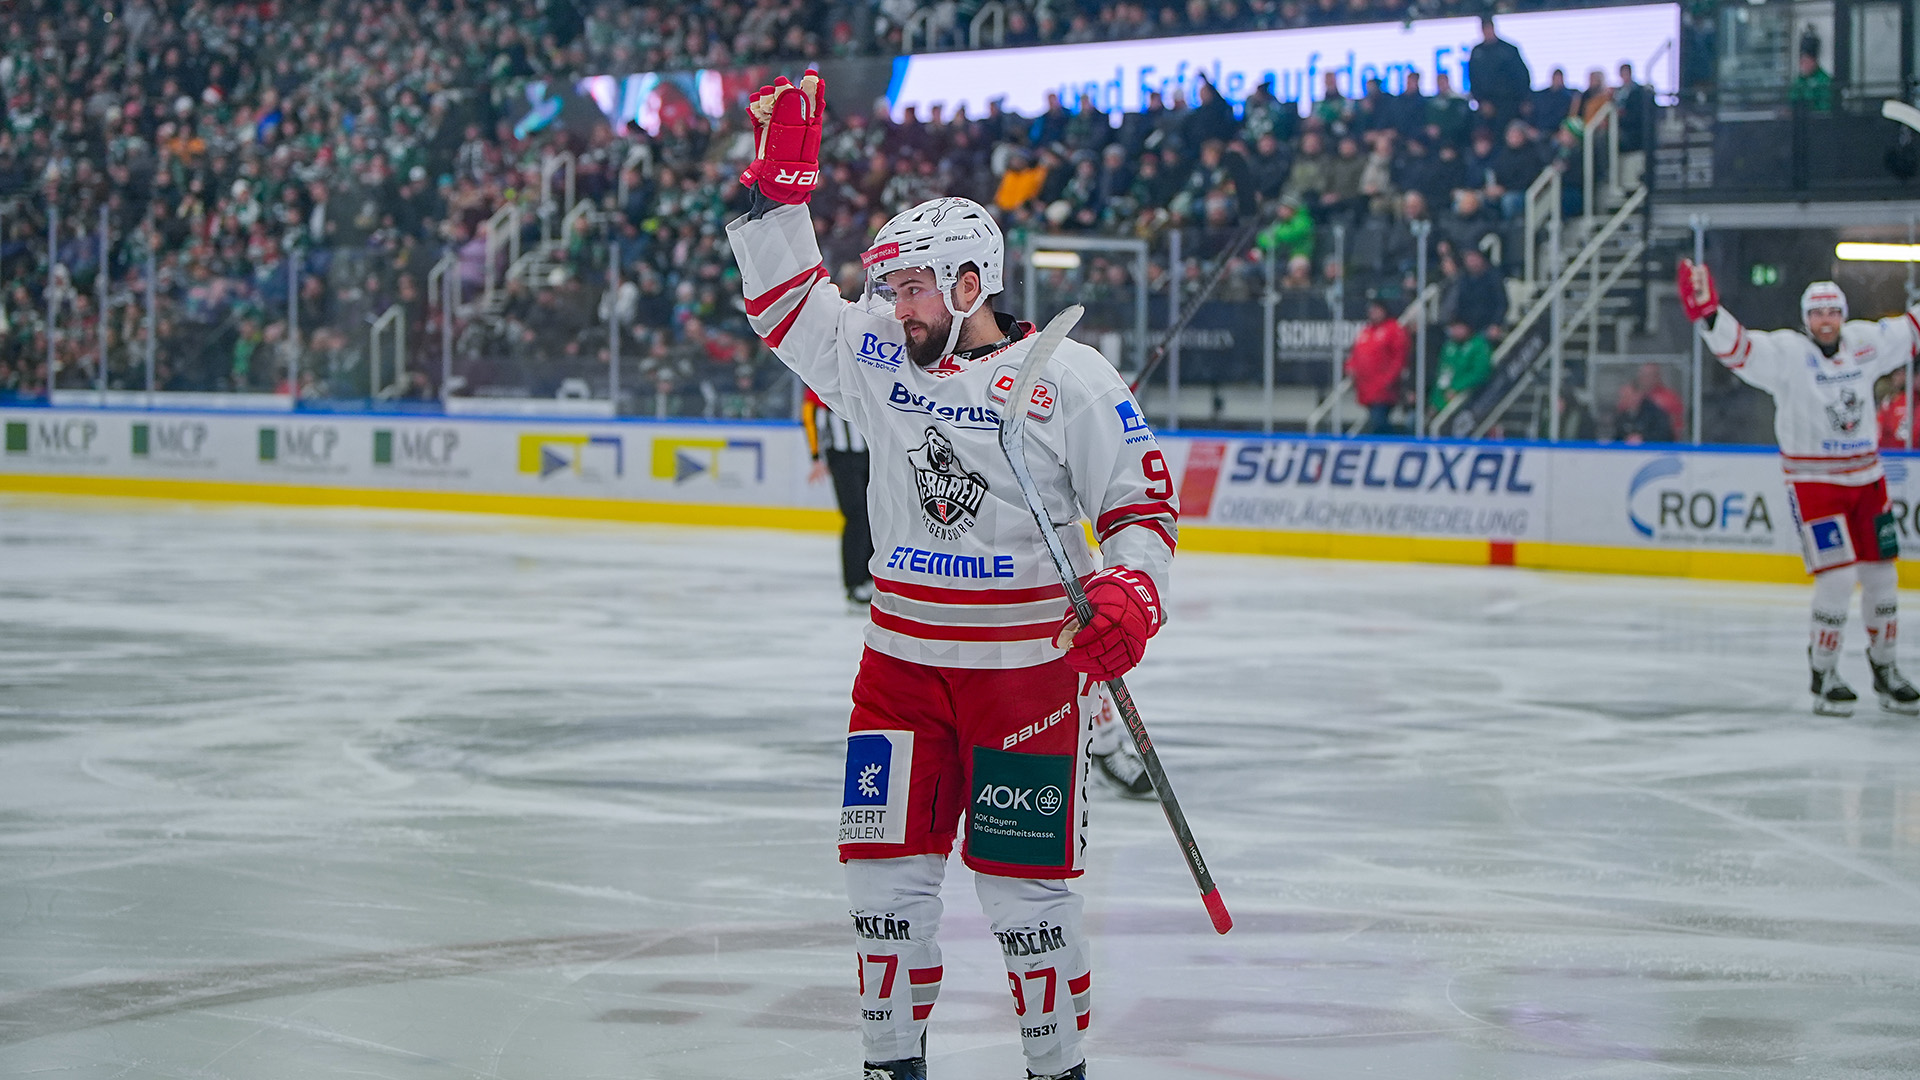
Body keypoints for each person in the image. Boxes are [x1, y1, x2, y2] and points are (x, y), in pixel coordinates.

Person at [725, 71, 1176, 1080]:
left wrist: (1128, 598)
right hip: (897, 668)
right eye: (888, 285)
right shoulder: (879, 353)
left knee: (1026, 893)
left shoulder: (1072, 378)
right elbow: (785, 307)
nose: (893, 302)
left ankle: (1054, 1069)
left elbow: (1141, 511)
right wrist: (777, 197)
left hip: (1021, 673)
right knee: (880, 888)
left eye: (913, 285)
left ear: (973, 283)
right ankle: (894, 1067)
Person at [1679, 261, 1920, 715]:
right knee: (1836, 579)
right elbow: (1742, 349)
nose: (1825, 321)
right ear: (1805, 319)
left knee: (1882, 579)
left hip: (1868, 481)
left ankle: (1886, 669)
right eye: (1817, 314)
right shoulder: (1787, 354)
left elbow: (1910, 329)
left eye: (1832, 313)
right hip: (1815, 484)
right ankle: (1823, 671)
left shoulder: (1865, 345)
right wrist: (1710, 315)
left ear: (1843, 316)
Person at [805, 387, 876, 609]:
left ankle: (872, 576)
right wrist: (816, 456)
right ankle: (855, 582)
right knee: (856, 515)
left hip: (871, 454)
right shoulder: (825, 375)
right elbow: (810, 413)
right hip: (842, 456)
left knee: (875, 515)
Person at [1346, 297, 1409, 434]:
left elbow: (1399, 359)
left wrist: (1389, 379)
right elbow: (1355, 354)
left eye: (1376, 309)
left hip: (1384, 389)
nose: (1373, 313)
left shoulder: (1393, 330)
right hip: (1366, 388)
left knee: (1379, 422)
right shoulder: (1366, 331)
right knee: (1375, 421)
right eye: (1371, 310)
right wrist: (1350, 367)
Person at [1468, 15, 1532, 127]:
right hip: (1488, 104)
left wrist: (1525, 99)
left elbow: (1522, 76)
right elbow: (1473, 78)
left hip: (1510, 102)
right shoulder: (1477, 52)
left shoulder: (1509, 50)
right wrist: (1481, 101)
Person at [1430, 318, 1491, 412]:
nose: (1456, 331)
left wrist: (1457, 388)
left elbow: (1480, 372)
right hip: (1443, 401)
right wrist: (1434, 401)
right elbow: (1441, 373)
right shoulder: (1449, 346)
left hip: (1468, 401)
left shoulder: (1478, 346)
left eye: (1459, 327)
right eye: (1454, 327)